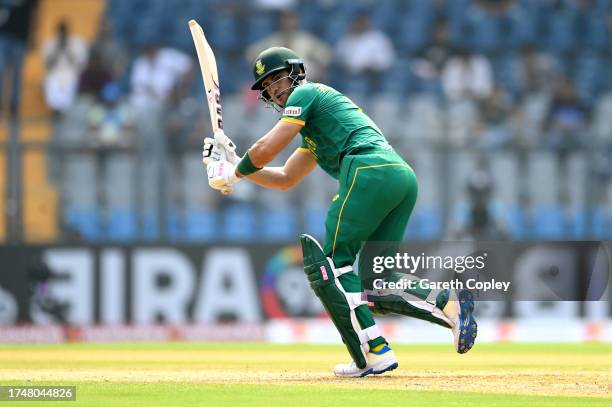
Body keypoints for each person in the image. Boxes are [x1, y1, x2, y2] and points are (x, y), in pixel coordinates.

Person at [202, 47, 477, 377]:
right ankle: (448, 301)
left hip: (367, 169)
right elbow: (286, 178)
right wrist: (233, 165)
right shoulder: (315, 127)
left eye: (277, 77)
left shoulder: (306, 93)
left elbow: (266, 148)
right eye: (267, 85)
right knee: (376, 283)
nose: (273, 88)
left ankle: (374, 352)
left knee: (331, 266)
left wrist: (233, 173)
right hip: (398, 176)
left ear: (295, 72)